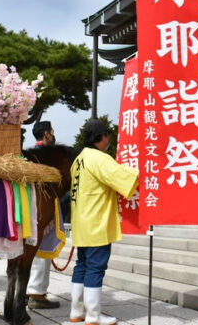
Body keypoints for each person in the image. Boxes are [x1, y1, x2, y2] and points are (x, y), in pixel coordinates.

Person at [68, 118, 138, 325]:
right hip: (96, 221)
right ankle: (92, 315)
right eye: (107, 135)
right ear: (101, 137)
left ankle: (76, 311)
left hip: (81, 221)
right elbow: (123, 178)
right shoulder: (99, 158)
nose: (109, 139)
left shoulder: (79, 159)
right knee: (95, 267)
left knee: (82, 265)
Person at [25, 121, 62, 309]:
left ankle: (28, 289)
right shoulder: (49, 155)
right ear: (46, 134)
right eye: (52, 131)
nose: (53, 134)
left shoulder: (29, 153)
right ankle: (36, 292)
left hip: (28, 207)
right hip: (43, 207)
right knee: (42, 250)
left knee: (30, 249)